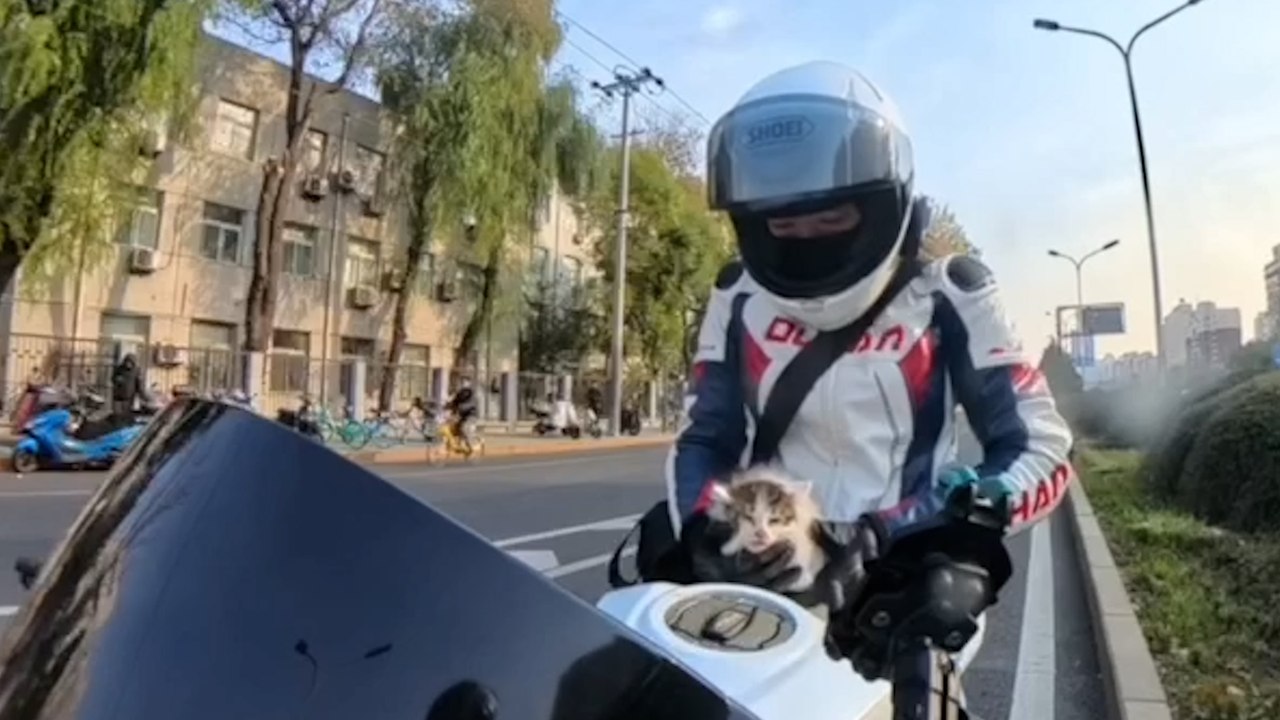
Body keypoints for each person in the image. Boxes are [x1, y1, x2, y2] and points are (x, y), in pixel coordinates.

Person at [667, 62, 1075, 680]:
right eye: (783, 221)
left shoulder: (953, 294)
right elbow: (706, 437)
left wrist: (921, 527)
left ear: (889, 202)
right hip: (770, 578)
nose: (806, 236)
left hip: (904, 585)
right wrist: (706, 529)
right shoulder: (739, 298)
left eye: (832, 218)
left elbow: (1040, 448)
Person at [444, 380, 478, 445]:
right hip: (461, 415)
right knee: (454, 428)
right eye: (462, 382)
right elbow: (454, 402)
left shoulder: (472, 395)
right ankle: (457, 443)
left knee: (464, 428)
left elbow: (471, 404)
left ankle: (469, 444)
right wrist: (447, 406)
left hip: (470, 415)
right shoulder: (459, 394)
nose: (463, 384)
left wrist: (460, 408)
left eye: (466, 383)